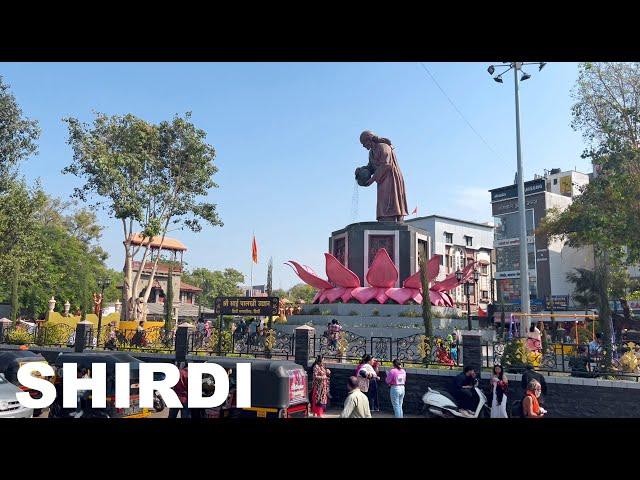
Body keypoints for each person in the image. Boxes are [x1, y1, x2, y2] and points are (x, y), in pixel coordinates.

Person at [355, 131, 408, 222]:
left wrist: (372, 179)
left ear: (369, 139)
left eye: (364, 143)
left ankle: (392, 218)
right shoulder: (371, 152)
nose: (363, 146)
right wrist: (361, 169)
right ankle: (385, 218)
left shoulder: (383, 146)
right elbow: (371, 167)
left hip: (391, 177)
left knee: (390, 198)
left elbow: (386, 164)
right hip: (381, 178)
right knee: (383, 199)